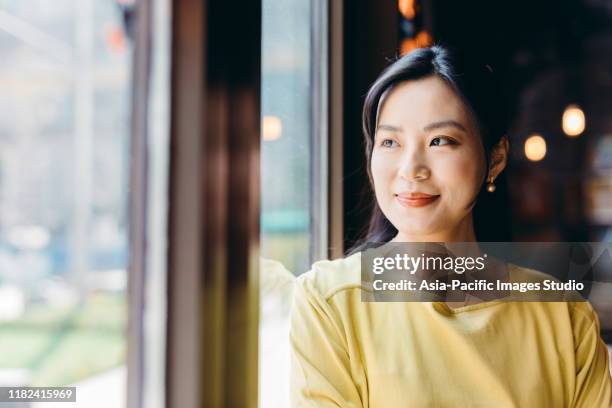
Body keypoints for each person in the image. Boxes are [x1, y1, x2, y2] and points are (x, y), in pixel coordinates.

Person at [289, 45, 612, 407]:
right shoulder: (329, 304)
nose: (411, 168)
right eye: (390, 142)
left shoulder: (562, 315)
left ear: (495, 158)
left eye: (440, 141)